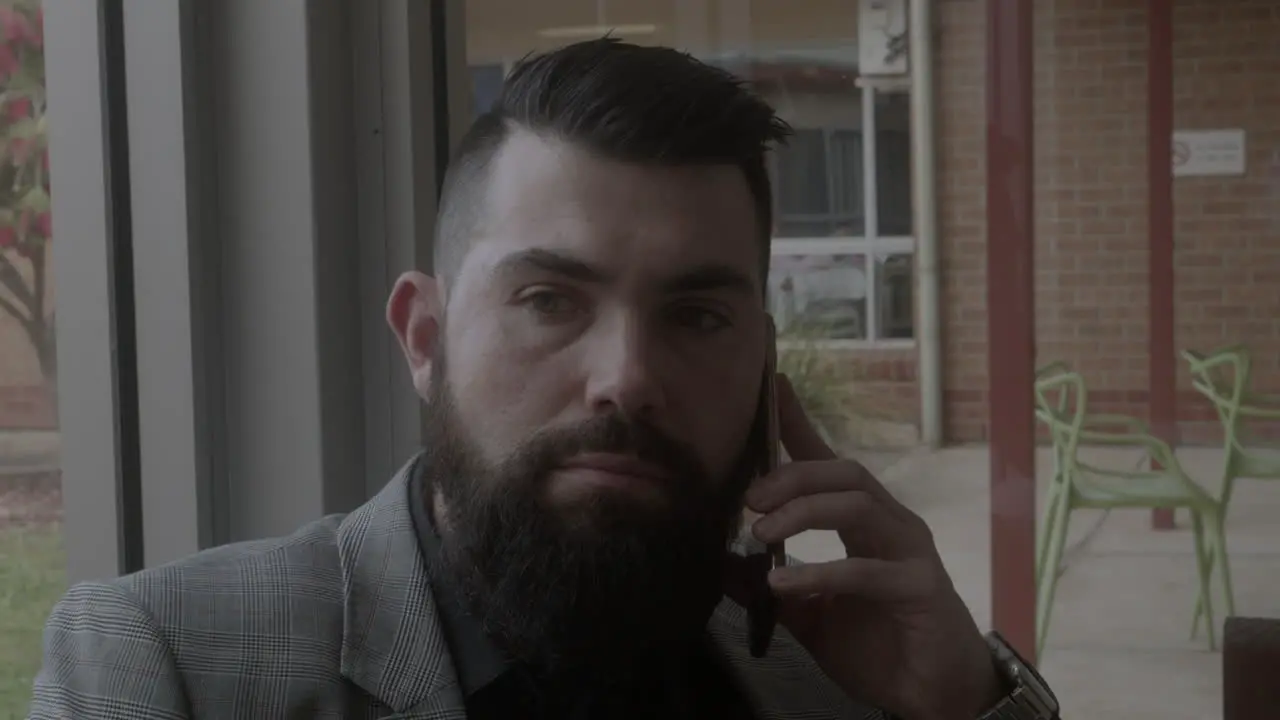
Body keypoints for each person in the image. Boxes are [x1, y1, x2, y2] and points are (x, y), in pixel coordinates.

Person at [29, 39, 1060, 720]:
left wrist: (966, 704)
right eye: (549, 301)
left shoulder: (834, 683)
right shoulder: (166, 670)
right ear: (422, 336)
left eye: (696, 315)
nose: (627, 379)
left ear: (762, 365)